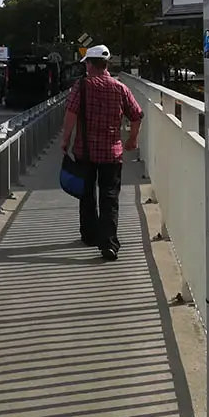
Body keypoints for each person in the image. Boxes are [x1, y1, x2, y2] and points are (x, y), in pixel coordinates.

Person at [60, 44, 143, 262]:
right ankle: (109, 243)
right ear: (106, 65)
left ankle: (89, 236)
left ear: (89, 64)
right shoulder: (120, 88)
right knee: (110, 197)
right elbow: (137, 115)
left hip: (85, 152)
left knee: (86, 195)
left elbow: (71, 114)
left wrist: (65, 140)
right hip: (112, 154)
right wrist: (133, 139)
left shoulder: (82, 86)